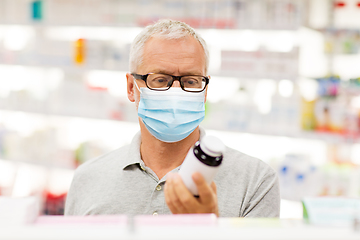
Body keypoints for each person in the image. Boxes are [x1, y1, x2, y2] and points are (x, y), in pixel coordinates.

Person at [65, 19, 280, 217]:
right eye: (160, 79)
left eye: (191, 81)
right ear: (131, 87)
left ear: (205, 92)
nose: (176, 92)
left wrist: (208, 228)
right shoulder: (88, 178)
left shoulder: (255, 181)